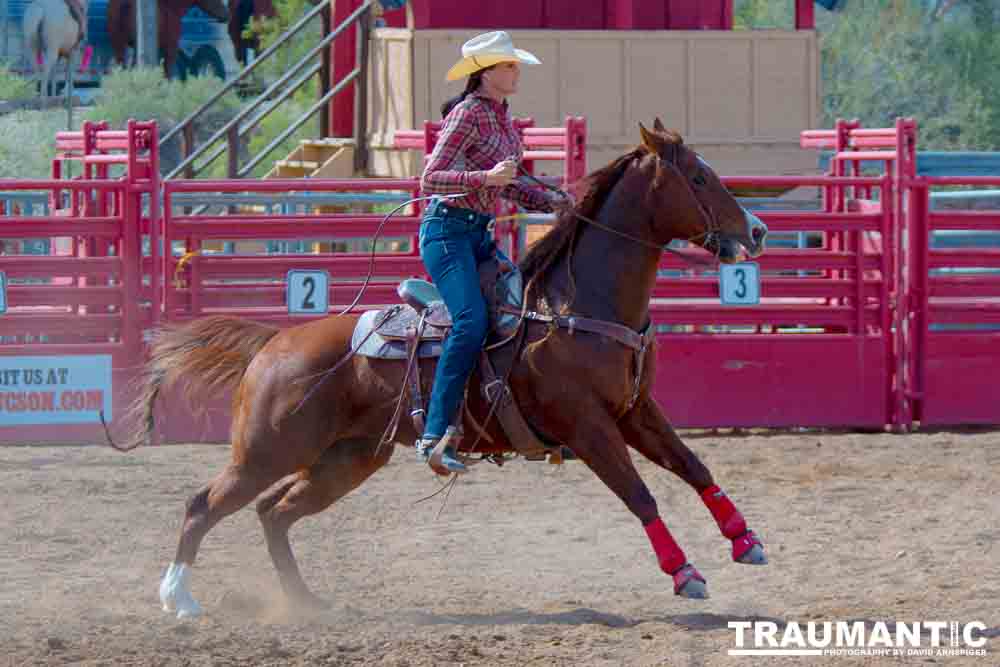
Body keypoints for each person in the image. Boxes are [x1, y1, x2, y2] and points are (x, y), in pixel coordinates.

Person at [416, 30, 569, 473]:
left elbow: (512, 183)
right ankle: (434, 433)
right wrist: (484, 179)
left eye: (515, 64)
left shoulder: (501, 117)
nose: (515, 71)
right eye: (508, 65)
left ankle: (521, 422)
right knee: (471, 321)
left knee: (528, 314)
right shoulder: (467, 114)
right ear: (485, 73)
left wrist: (552, 201)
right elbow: (431, 178)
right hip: (446, 233)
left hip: (479, 236)